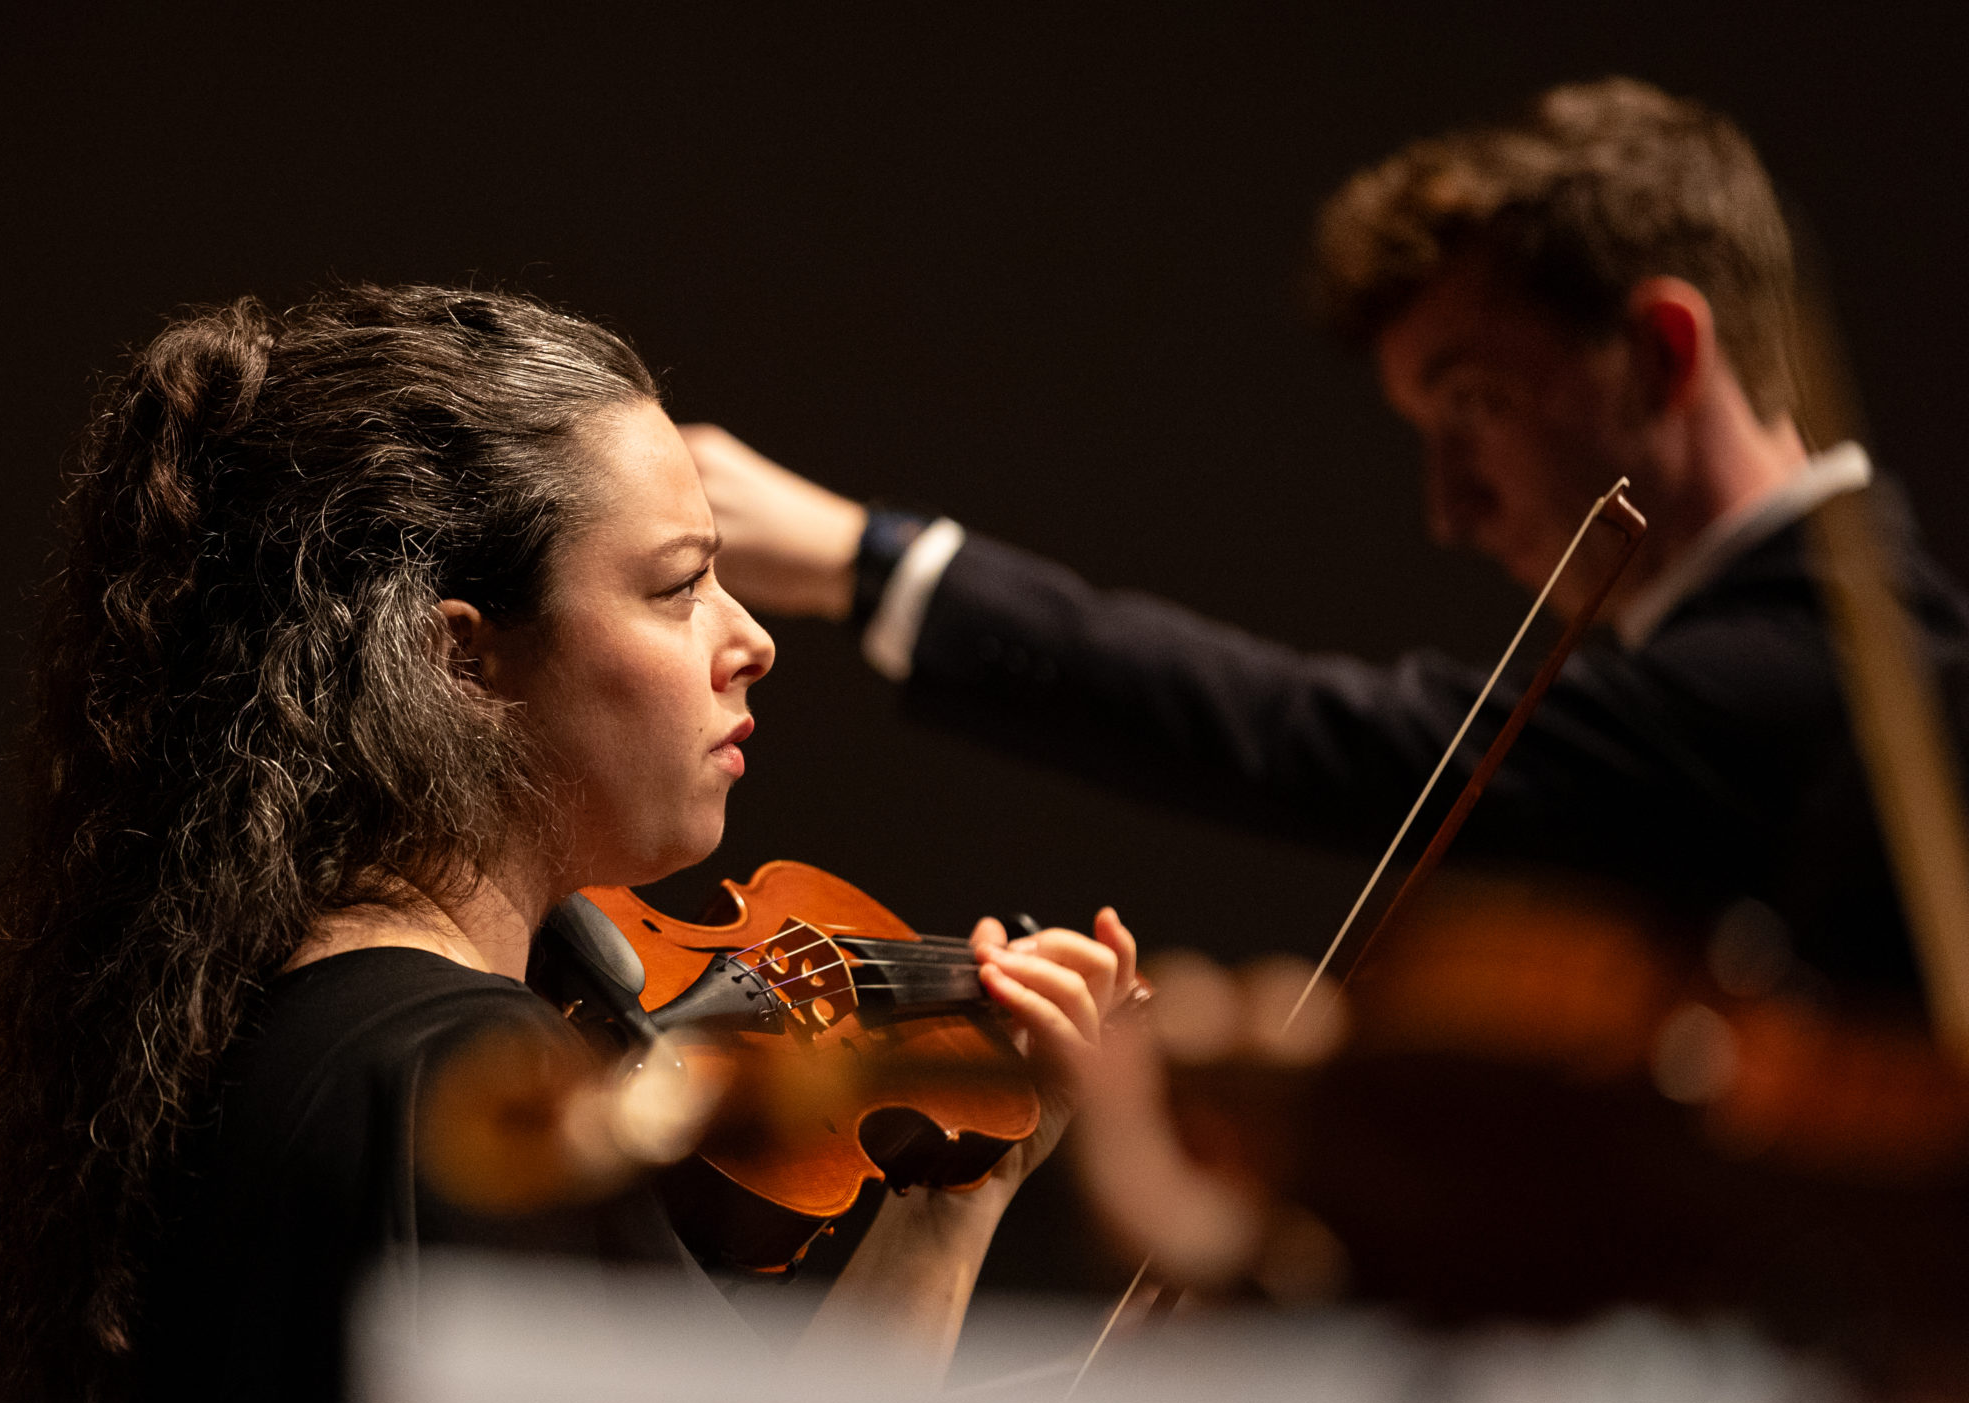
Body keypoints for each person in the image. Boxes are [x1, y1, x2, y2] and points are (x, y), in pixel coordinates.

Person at [0, 286, 1140, 1403]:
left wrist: (953, 1200)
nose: (750, 641)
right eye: (678, 587)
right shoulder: (466, 1081)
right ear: (459, 659)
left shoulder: (280, 1033)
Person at [687, 77, 1969, 1016]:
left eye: (1474, 407)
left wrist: (868, 559)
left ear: (1658, 352)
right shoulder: (1823, 665)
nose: (1448, 510)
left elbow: (1306, 734)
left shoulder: (1812, 681)